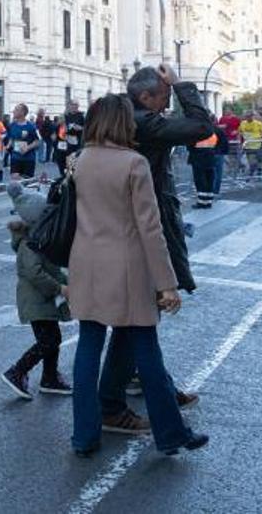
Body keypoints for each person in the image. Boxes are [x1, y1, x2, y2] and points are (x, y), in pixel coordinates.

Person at [68, 93, 209, 458]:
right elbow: (150, 228)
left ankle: (84, 435)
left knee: (87, 347)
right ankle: (171, 433)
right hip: (127, 268)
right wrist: (167, 284)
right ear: (121, 122)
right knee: (146, 352)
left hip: (86, 262)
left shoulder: (80, 160)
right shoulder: (134, 163)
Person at [95, 65, 212, 430]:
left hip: (124, 221)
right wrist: (181, 85)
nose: (167, 104)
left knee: (138, 320)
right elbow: (201, 127)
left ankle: (148, 383)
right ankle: (115, 404)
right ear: (145, 97)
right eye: (163, 97)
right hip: (142, 223)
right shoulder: (145, 122)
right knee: (139, 319)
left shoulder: (126, 117)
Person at [0, 179, 72, 399]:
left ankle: (50, 378)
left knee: (53, 338)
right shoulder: (30, 243)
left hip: (43, 300)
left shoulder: (40, 238)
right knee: (48, 340)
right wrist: (59, 287)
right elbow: (34, 273)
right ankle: (17, 371)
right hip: (35, 300)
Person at [187, 127, 223, 209]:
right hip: (211, 157)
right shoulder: (216, 130)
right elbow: (222, 143)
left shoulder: (196, 131)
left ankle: (202, 202)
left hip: (198, 158)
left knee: (200, 181)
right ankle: (208, 201)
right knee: (210, 179)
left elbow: (190, 145)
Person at [6, 103, 40, 178]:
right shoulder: (12, 125)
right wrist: (8, 145)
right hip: (15, 157)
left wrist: (27, 148)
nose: (13, 111)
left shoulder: (31, 126)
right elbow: (11, 138)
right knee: (15, 178)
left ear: (22, 112)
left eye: (16, 109)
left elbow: (37, 142)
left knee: (27, 182)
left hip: (28, 158)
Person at [54, 99, 85, 177]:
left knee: (71, 168)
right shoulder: (64, 116)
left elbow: (87, 129)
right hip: (61, 145)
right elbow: (57, 130)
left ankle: (70, 182)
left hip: (73, 146)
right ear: (68, 106)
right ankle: (63, 180)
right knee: (61, 166)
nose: (74, 106)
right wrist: (60, 124)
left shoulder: (81, 116)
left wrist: (80, 128)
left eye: (76, 105)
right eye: (72, 104)